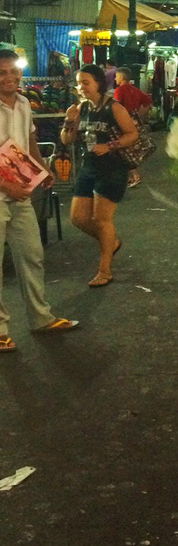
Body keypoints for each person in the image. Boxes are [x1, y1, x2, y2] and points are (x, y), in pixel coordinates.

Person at [0, 49, 79, 353]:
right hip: (6, 192)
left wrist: (42, 168)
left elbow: (29, 140)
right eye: (2, 72)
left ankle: (40, 317)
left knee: (32, 255)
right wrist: (7, 184)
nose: (9, 77)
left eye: (13, 71)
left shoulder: (22, 103)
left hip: (21, 194)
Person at [60, 64, 138, 287]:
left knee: (101, 220)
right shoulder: (80, 109)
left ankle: (104, 270)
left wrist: (111, 145)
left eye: (86, 82)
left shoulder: (114, 108)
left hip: (112, 168)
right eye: (78, 83)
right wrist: (68, 120)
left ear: (98, 84)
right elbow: (67, 140)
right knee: (78, 218)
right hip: (88, 167)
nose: (81, 87)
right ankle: (110, 242)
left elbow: (132, 134)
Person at [113, 67, 152, 188]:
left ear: (122, 78)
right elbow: (148, 101)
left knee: (123, 150)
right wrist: (140, 114)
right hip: (134, 121)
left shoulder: (119, 90)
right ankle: (131, 177)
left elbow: (116, 106)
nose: (115, 78)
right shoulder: (135, 90)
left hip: (122, 122)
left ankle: (134, 175)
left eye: (117, 76)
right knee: (129, 150)